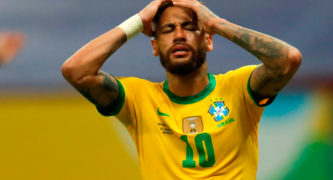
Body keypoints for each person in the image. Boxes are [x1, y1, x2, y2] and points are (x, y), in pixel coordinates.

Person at [62, 0, 302, 179]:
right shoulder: (139, 100)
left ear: (208, 40)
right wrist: (138, 21)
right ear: (155, 46)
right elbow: (76, 71)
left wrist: (217, 24)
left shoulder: (239, 89)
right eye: (167, 29)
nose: (178, 35)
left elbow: (288, 60)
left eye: (189, 27)